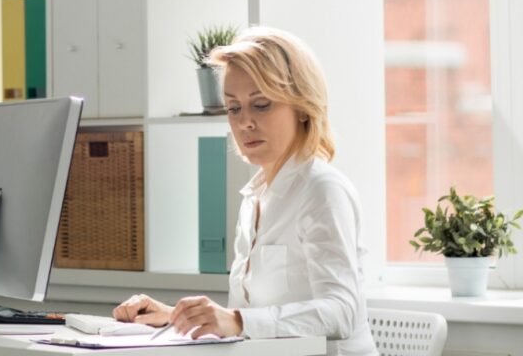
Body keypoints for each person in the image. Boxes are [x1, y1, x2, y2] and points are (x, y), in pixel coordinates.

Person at [114, 27, 376, 355]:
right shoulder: (256, 196)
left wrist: (236, 320)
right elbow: (249, 321)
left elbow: (342, 311)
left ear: (302, 106)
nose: (244, 122)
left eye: (261, 104)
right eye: (234, 108)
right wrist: (178, 317)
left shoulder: (322, 190)